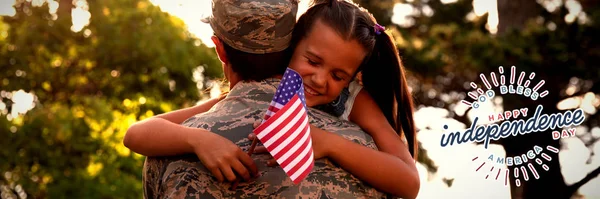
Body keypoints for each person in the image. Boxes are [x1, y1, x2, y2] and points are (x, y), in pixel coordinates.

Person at [125, 0, 420, 198]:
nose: (320, 79)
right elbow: (136, 133)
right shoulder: (234, 101)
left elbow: (408, 181)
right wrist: (199, 140)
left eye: (338, 75)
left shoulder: (353, 100)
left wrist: (330, 144)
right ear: (292, 45)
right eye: (313, 61)